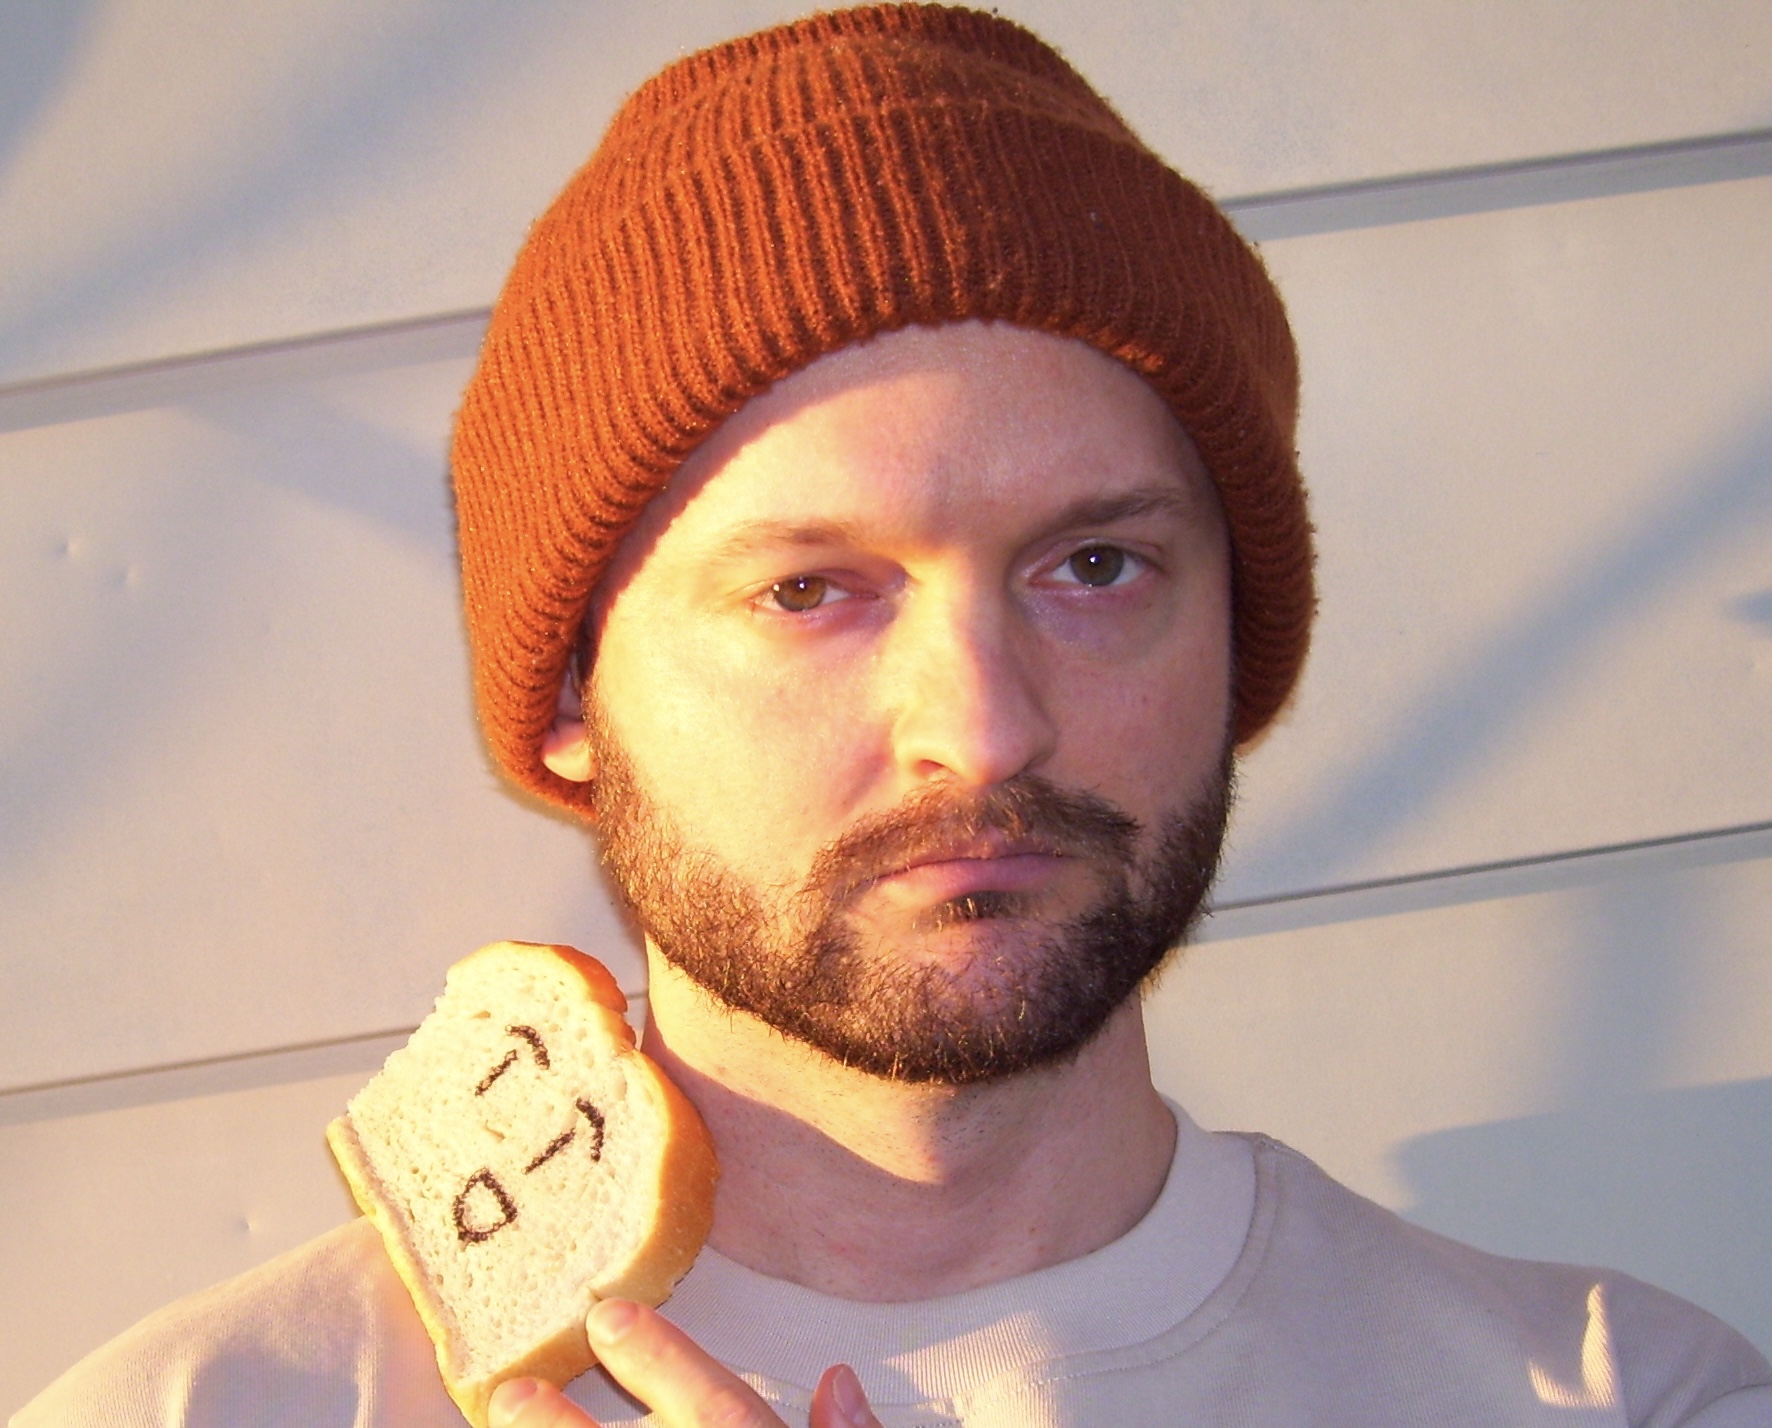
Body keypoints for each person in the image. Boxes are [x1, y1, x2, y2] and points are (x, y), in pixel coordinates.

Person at [16, 6, 1771, 1427]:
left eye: (1095, 566)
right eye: (810, 591)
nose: (984, 730)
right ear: (566, 700)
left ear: (1240, 640)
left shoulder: (1626, 1396)